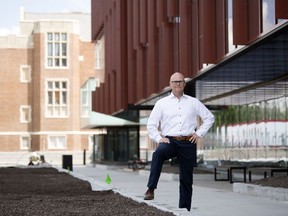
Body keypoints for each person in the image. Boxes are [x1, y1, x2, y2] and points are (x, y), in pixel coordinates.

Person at [144, 72, 215, 211]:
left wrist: (199, 133)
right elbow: (151, 124)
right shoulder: (161, 103)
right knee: (158, 153)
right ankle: (151, 188)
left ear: (184, 84)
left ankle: (184, 208)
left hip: (188, 142)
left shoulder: (193, 102)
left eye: (180, 81)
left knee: (186, 177)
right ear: (170, 84)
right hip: (169, 141)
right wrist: (159, 138)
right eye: (175, 81)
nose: (177, 84)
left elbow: (209, 117)